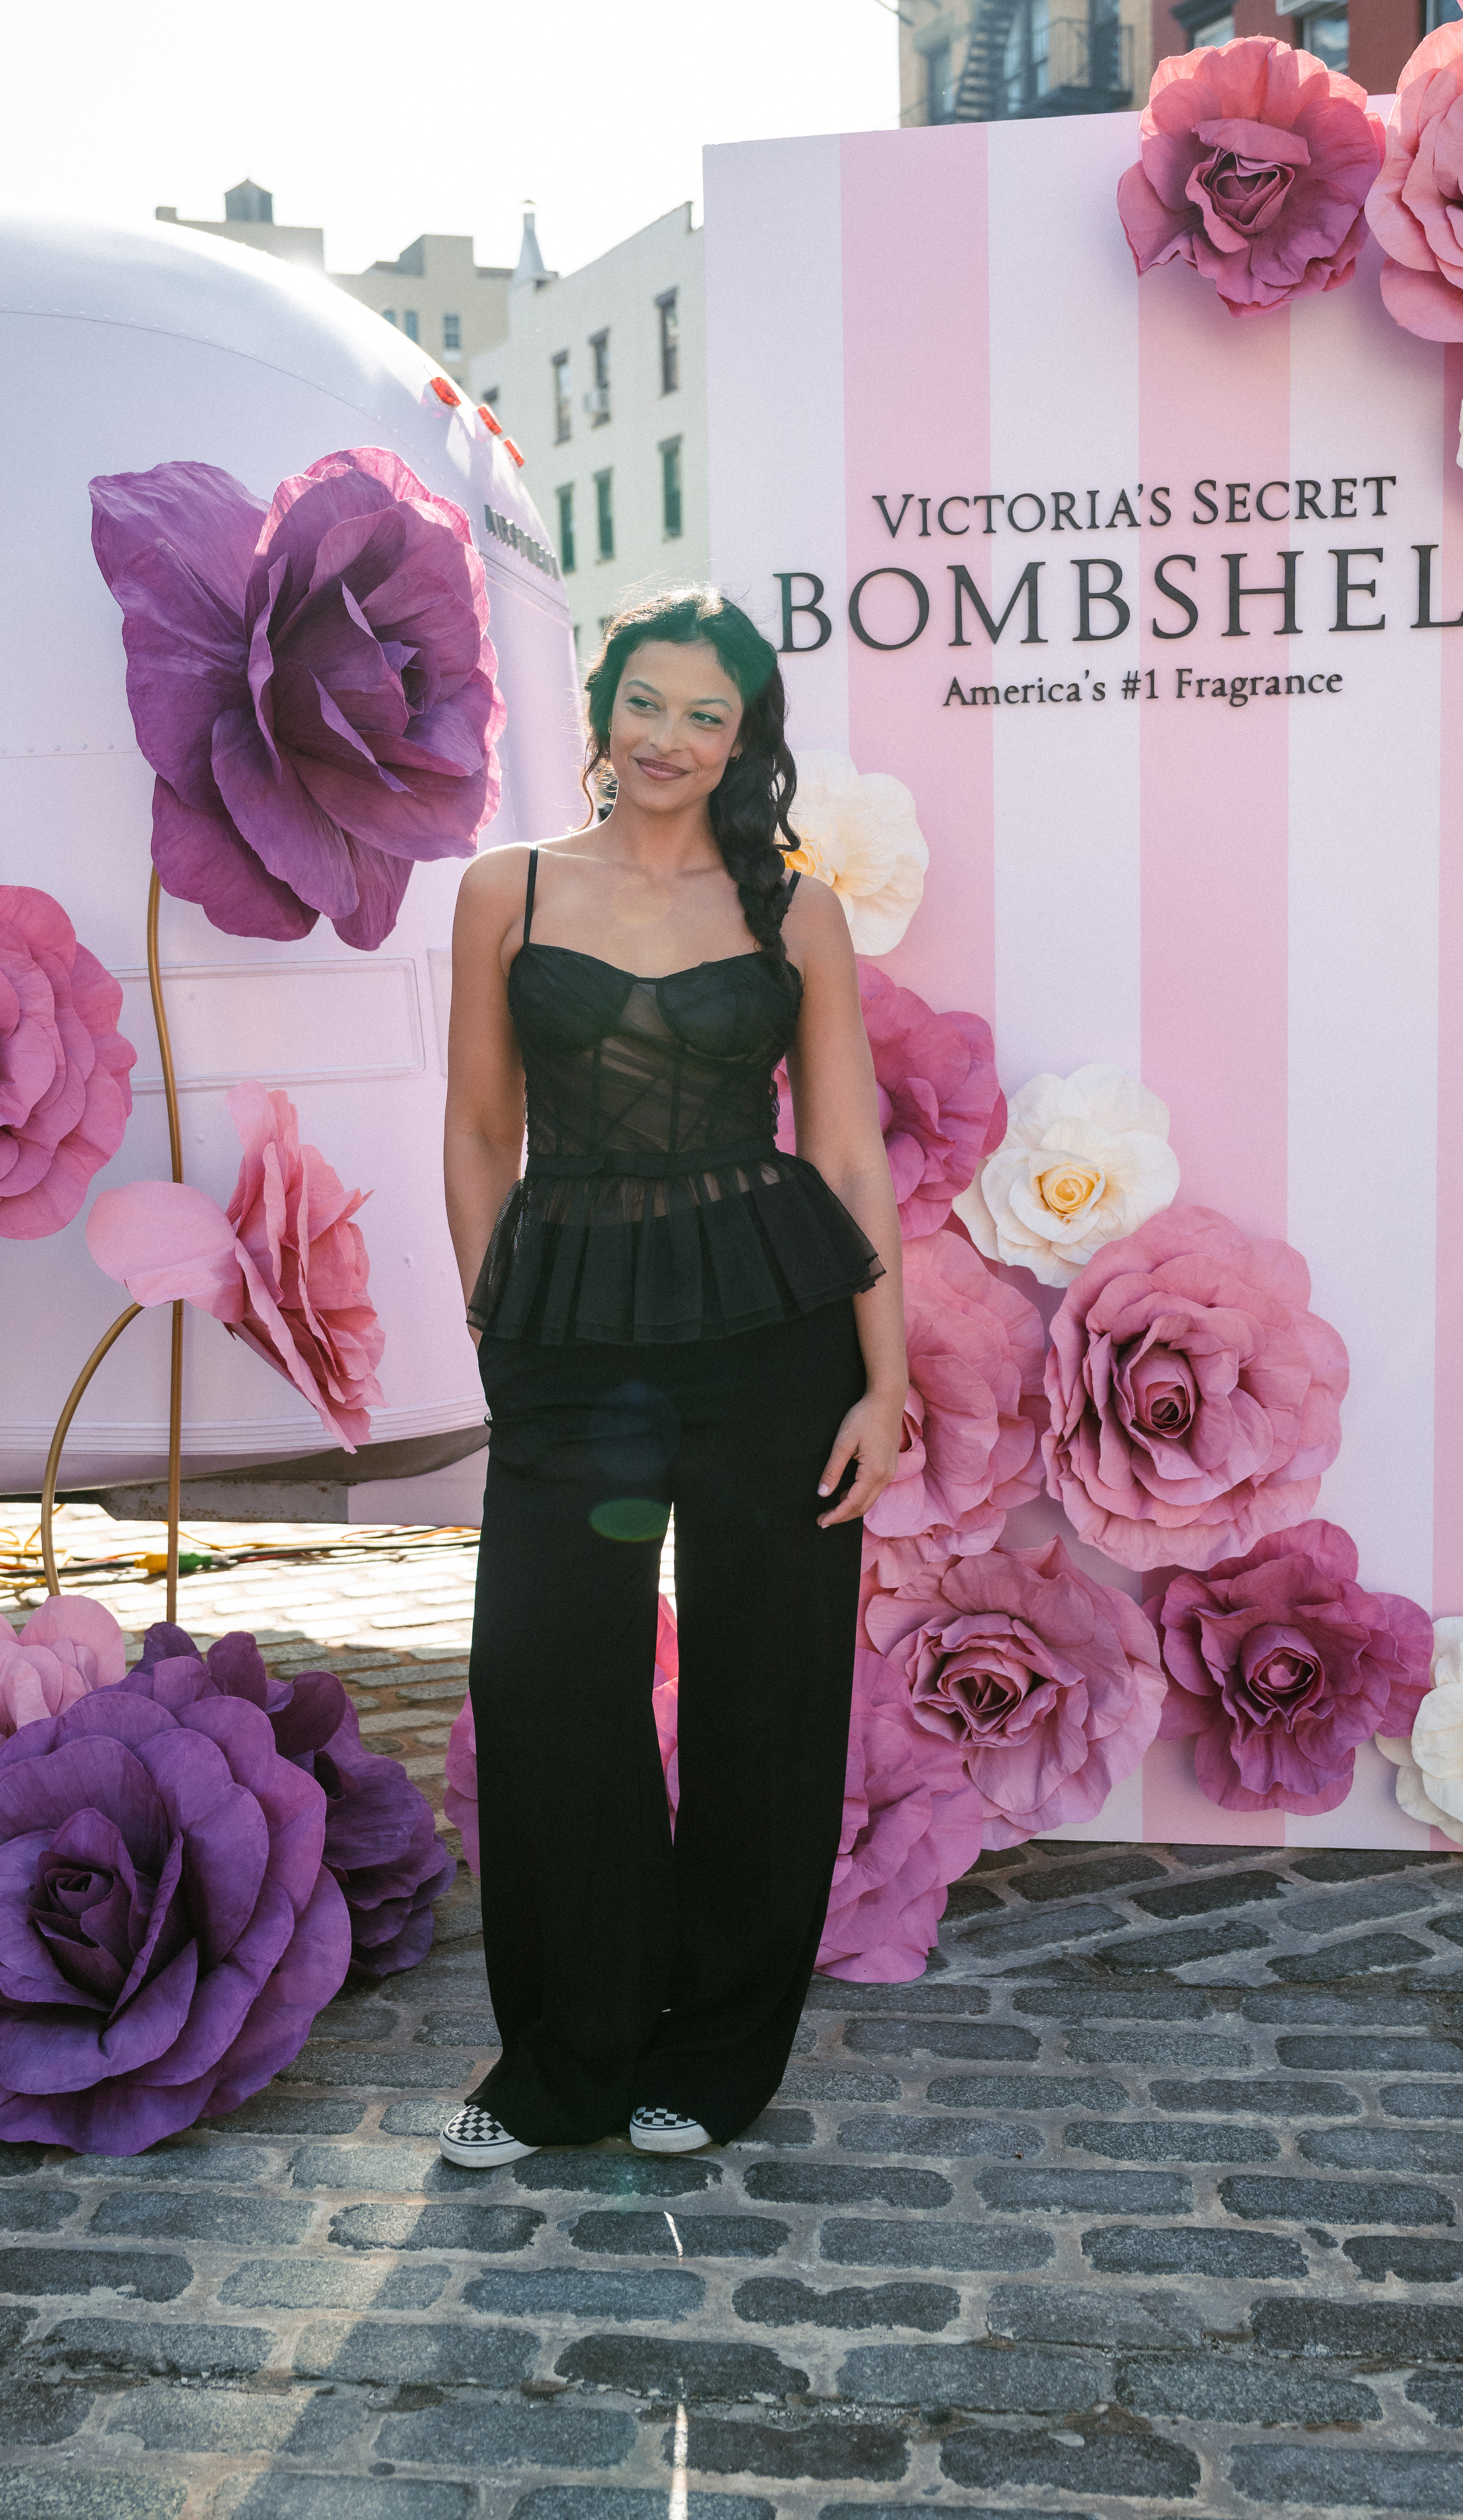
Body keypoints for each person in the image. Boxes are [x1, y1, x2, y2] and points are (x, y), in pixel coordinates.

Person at [438, 584, 907, 2165]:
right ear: (602, 705)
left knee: (763, 1693)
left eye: (707, 714)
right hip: (569, 1337)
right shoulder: (502, 889)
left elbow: (843, 1147)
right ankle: (565, 2054)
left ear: (742, 737)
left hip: (768, 1330)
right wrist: (495, 1329)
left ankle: (710, 2057)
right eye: (647, 700)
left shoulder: (795, 910)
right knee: (544, 1685)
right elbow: (475, 1129)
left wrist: (882, 1380)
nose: (670, 737)